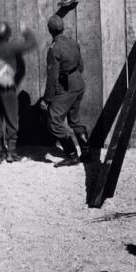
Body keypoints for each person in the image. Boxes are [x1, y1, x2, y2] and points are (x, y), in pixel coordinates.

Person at [40, 15, 90, 167]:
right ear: (62, 28)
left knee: (54, 119)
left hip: (67, 87)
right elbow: (81, 66)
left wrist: (47, 100)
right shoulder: (72, 42)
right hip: (78, 83)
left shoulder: (54, 49)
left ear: (50, 31)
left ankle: (72, 155)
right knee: (74, 120)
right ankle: (86, 152)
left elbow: (52, 78)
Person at [0, 21, 37, 164]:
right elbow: (31, 43)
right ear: (7, 34)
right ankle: (11, 153)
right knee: (12, 120)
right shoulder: (12, 47)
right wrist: (25, 29)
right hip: (7, 88)